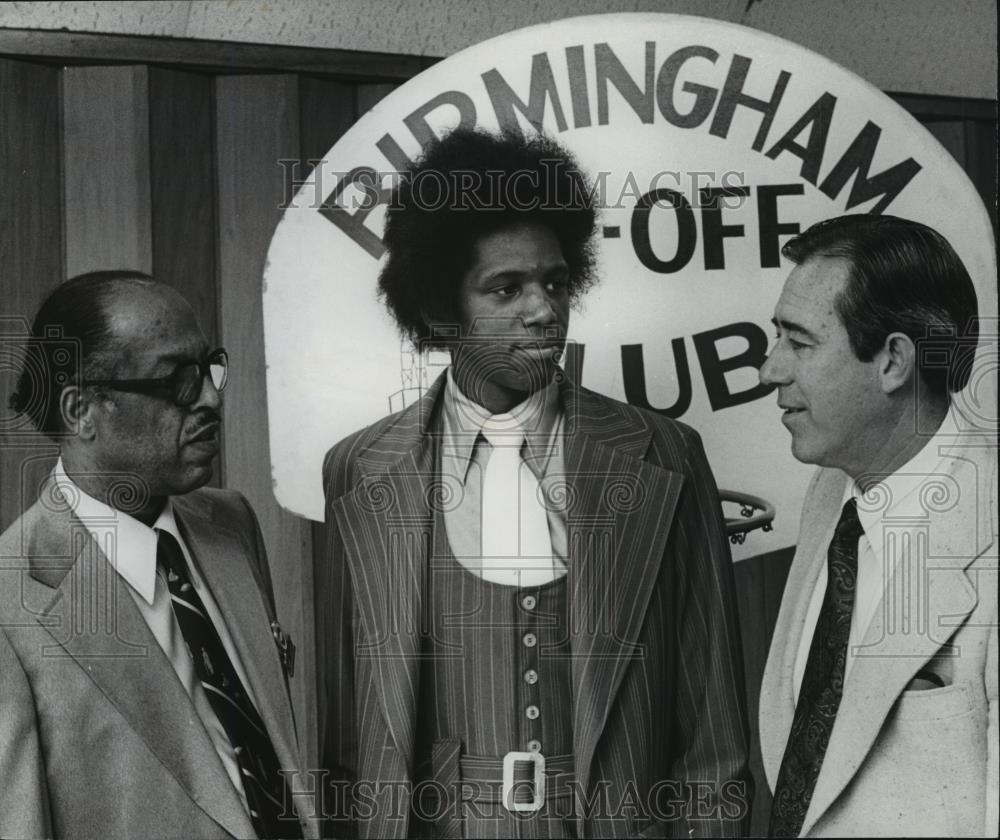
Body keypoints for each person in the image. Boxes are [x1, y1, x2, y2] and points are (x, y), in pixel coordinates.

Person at [317, 128, 751, 838]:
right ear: (437, 309)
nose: (545, 310)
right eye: (506, 287)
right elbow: (346, 740)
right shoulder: (359, 471)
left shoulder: (665, 456)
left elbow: (715, 741)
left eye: (555, 281)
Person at [0, 271, 318, 839]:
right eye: (177, 380)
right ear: (81, 411)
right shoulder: (12, 602)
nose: (212, 398)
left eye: (209, 368)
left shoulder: (232, 522)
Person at [758, 214, 998, 837]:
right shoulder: (831, 489)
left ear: (893, 361)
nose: (770, 370)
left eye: (800, 343)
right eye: (774, 337)